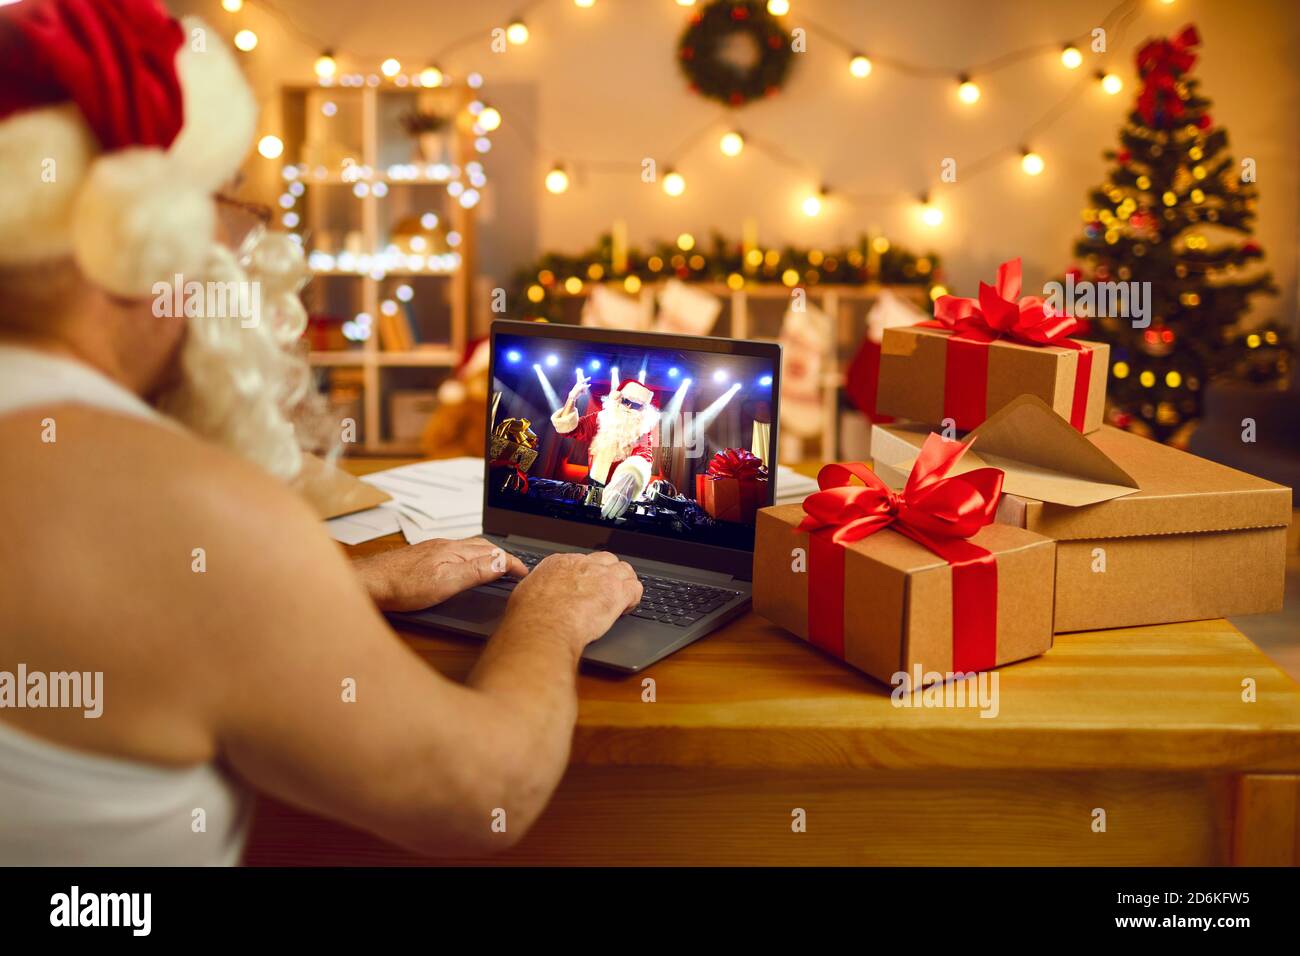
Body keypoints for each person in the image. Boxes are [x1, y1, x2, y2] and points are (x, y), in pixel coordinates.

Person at [0, 0, 642, 864]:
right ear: (143, 238)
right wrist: (556, 613)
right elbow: (481, 790)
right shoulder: (192, 514)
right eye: (223, 208)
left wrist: (350, 586)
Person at [551, 371, 659, 519]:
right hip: (592, 484)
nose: (628, 407)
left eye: (635, 405)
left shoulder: (641, 431)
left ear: (642, 409)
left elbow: (644, 455)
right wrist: (572, 398)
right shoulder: (601, 418)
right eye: (625, 401)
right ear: (617, 399)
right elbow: (569, 429)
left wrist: (630, 477)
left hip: (619, 490)